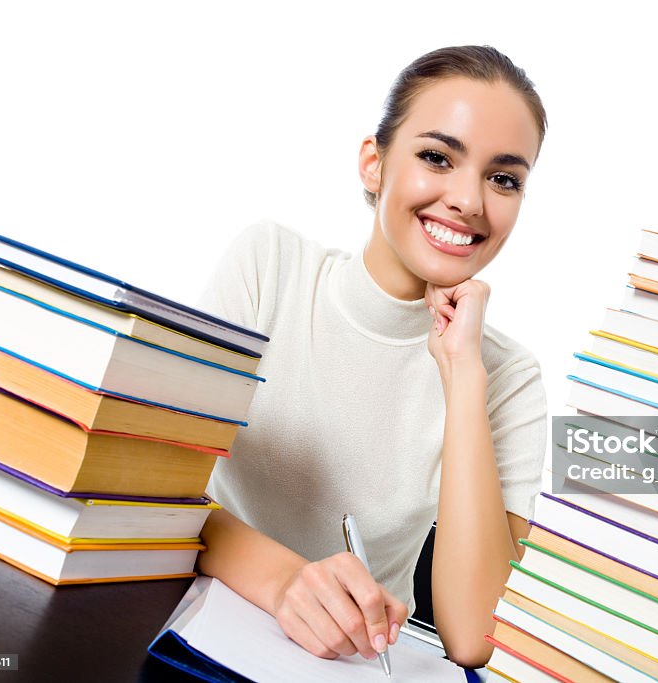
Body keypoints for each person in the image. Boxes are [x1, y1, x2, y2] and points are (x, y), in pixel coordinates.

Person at [196, 45, 548, 669]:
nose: (469, 200)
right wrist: (284, 582)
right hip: (193, 618)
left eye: (503, 179)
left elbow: (474, 637)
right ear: (374, 163)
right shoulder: (270, 268)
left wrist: (463, 373)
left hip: (348, 666)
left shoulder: (509, 378)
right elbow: (149, 492)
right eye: (437, 157)